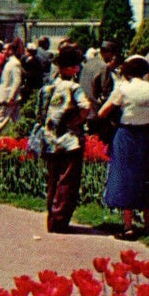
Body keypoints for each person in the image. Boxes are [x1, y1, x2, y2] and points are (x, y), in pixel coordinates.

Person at [98, 55, 149, 240]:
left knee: (126, 176)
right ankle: (148, 222)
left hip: (126, 133)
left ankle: (128, 225)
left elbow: (103, 112)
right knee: (144, 176)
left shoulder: (123, 89)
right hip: (146, 133)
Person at [35, 43, 91, 234]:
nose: (77, 68)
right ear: (70, 67)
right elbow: (86, 107)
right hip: (70, 140)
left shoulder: (47, 87)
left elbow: (39, 113)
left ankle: (51, 217)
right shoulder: (74, 87)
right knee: (67, 180)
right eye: (75, 65)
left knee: (52, 180)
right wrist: (77, 121)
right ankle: (60, 221)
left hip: (50, 139)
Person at [80, 40, 119, 144]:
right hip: (96, 112)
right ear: (108, 52)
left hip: (83, 108)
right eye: (113, 54)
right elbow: (106, 92)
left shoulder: (88, 63)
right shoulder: (103, 67)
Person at [0, 41, 24, 139]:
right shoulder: (10, 62)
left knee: (2, 117)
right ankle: (23, 135)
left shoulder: (15, 63)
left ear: (10, 51)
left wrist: (11, 96)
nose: (3, 51)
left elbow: (17, 81)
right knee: (17, 119)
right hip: (10, 96)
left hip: (9, 97)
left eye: (5, 49)